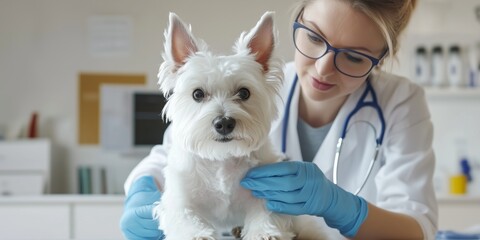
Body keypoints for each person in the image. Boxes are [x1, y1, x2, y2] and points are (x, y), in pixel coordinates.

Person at [120, 0, 438, 239]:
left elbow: (418, 228)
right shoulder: (256, 81)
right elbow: (173, 152)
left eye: (353, 56)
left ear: (380, 59)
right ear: (297, 20)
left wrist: (342, 208)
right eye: (314, 38)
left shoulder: (400, 102)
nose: (324, 68)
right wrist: (142, 190)